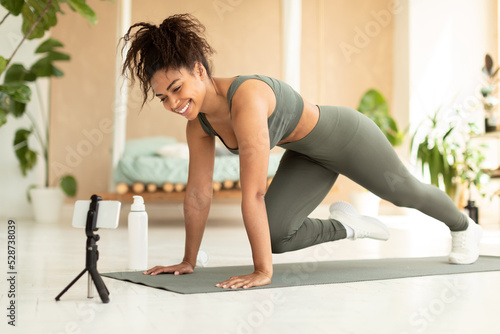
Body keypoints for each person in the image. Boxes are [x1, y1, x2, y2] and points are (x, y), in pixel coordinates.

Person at [121, 14, 483, 290]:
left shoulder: (247, 97)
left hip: (346, 137)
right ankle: (348, 226)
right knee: (278, 235)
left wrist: (262, 271)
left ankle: (465, 226)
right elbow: (198, 196)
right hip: (306, 156)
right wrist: (188, 260)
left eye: (177, 88)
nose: (173, 102)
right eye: (163, 97)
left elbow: (255, 193)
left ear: (199, 70)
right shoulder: (198, 125)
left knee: (404, 192)